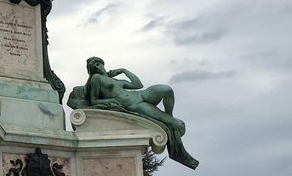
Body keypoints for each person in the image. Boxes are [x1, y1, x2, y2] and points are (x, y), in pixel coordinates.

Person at [70, 57, 199, 169]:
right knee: (176, 125)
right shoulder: (96, 79)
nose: (97, 67)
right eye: (94, 66)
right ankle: (170, 122)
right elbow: (94, 101)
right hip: (136, 105)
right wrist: (113, 100)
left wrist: (123, 70)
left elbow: (138, 84)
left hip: (141, 94)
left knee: (167, 90)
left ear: (103, 64)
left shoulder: (115, 81)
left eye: (98, 64)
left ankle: (169, 117)